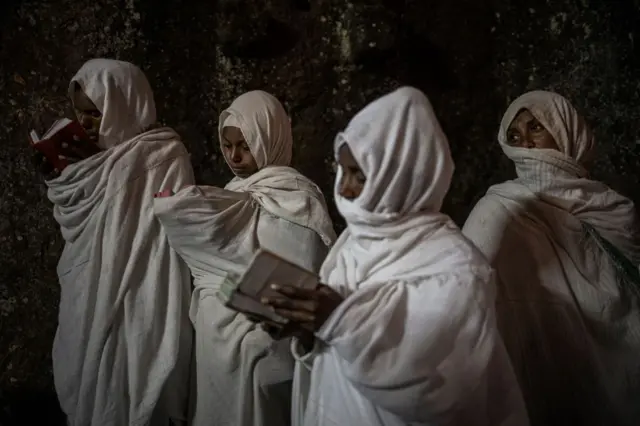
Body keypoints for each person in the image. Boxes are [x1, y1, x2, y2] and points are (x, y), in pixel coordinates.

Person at [261, 87, 529, 426]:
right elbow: (336, 361)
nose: (345, 190)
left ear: (405, 176)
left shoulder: (457, 269)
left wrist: (340, 320)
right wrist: (308, 332)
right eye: (343, 172)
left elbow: (441, 392)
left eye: (360, 175)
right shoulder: (351, 246)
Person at [152, 90, 336, 426]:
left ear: (270, 138)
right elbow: (216, 265)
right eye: (227, 145)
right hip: (219, 326)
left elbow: (305, 271)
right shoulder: (233, 193)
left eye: (245, 145)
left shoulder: (299, 197)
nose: (235, 156)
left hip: (270, 332)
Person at [462, 90, 640, 426]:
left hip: (619, 363)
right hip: (544, 366)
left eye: (536, 127)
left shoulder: (612, 208)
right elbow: (464, 297)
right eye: (515, 135)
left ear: (567, 131)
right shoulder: (498, 207)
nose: (526, 142)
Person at [45, 58, 194, 426]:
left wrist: (103, 167)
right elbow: (80, 218)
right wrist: (65, 176)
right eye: (80, 114)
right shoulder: (90, 161)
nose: (86, 124)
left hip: (139, 293)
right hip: (88, 289)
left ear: (125, 104)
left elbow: (164, 226)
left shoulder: (163, 155)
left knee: (126, 373)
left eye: (96, 113)